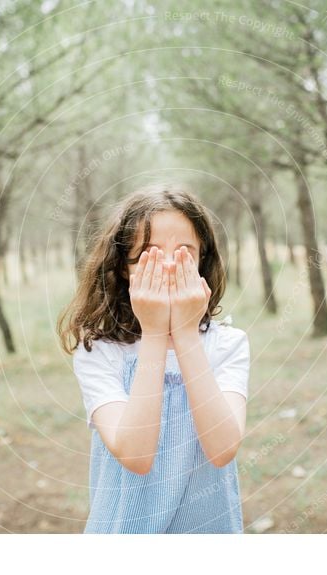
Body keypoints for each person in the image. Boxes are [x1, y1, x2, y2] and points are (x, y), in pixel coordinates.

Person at [57, 183, 251, 533]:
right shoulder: (100, 352)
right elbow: (136, 455)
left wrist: (187, 334)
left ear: (202, 262)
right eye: (149, 254)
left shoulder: (228, 345)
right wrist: (156, 333)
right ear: (124, 267)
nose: (168, 266)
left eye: (184, 253)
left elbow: (222, 449)